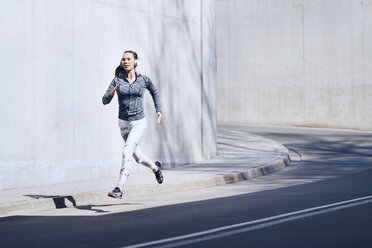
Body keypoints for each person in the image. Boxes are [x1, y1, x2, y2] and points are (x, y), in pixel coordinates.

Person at [102, 50, 163, 199]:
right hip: (123, 123)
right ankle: (156, 168)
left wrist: (158, 110)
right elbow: (104, 100)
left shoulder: (143, 80)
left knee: (127, 150)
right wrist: (112, 93)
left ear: (135, 61)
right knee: (138, 157)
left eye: (128, 59)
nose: (125, 61)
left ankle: (119, 187)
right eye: (123, 59)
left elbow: (154, 92)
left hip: (139, 122)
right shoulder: (117, 80)